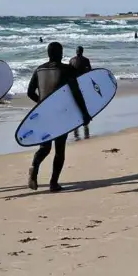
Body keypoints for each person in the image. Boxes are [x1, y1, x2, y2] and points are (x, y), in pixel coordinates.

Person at [26, 42, 92, 192]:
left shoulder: (39, 69)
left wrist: (42, 104)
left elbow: (30, 92)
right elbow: (76, 93)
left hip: (44, 114)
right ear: (60, 53)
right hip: (60, 115)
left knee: (44, 147)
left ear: (48, 54)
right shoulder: (67, 69)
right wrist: (85, 114)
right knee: (59, 150)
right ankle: (53, 183)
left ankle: (34, 166)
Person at [69, 46, 92, 140]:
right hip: (83, 84)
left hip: (74, 84)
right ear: (82, 52)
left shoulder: (71, 60)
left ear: (76, 52)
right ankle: (86, 125)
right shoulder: (86, 60)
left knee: (75, 104)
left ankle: (75, 127)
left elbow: (68, 72)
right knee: (84, 104)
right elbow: (90, 71)